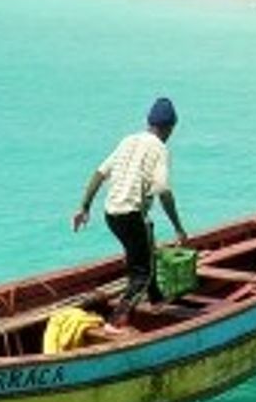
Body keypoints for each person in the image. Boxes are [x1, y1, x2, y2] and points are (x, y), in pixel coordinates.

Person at [72, 97, 188, 327]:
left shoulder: (128, 140)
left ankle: (156, 299)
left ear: (149, 122)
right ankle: (115, 323)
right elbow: (163, 190)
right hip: (132, 214)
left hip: (111, 214)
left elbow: (99, 173)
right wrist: (178, 228)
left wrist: (84, 207)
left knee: (145, 250)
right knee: (141, 274)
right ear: (170, 128)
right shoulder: (160, 148)